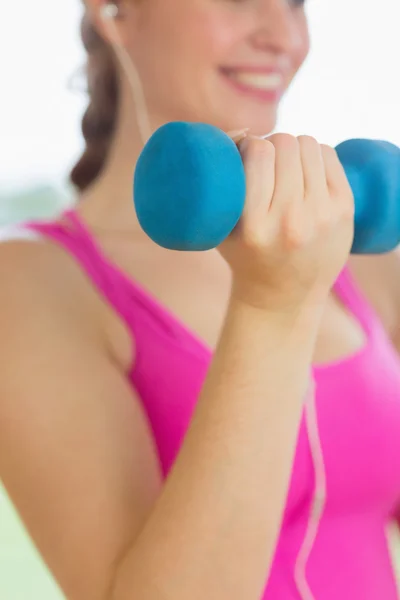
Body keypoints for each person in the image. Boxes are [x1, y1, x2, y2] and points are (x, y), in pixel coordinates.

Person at [1, 1, 400, 599]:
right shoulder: (29, 285)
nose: (281, 35)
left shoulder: (355, 254)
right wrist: (272, 308)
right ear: (114, 11)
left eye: (295, 2)